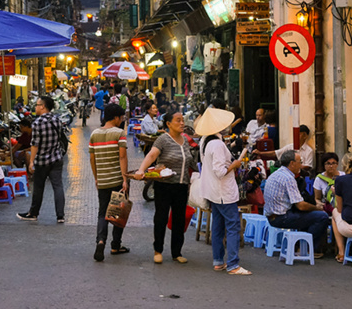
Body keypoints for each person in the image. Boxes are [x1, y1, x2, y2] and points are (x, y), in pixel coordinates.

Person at [134, 111, 198, 264]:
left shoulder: (185, 141)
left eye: (182, 120)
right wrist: (141, 170)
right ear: (168, 124)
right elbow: (152, 155)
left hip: (182, 186)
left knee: (179, 220)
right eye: (178, 120)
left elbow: (190, 161)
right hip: (164, 186)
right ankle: (158, 250)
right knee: (161, 218)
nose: (182, 123)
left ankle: (177, 252)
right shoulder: (163, 139)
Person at [196, 108, 251, 275]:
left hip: (213, 191)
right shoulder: (217, 144)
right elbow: (220, 171)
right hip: (222, 192)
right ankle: (233, 264)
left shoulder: (205, 141)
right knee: (233, 226)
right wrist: (234, 165)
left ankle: (218, 261)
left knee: (218, 226)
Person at [263, 150, 328, 257]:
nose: (301, 165)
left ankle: (302, 246)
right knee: (321, 217)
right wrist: (317, 208)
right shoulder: (288, 178)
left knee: (307, 216)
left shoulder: (275, 174)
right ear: (292, 163)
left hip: (271, 216)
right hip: (281, 218)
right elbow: (301, 206)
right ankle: (307, 248)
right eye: (300, 162)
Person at [89, 104, 130, 262]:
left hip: (103, 181)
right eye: (121, 117)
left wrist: (96, 177)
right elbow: (122, 157)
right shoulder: (119, 133)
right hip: (117, 180)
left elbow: (92, 159)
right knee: (118, 213)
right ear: (116, 118)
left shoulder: (94, 134)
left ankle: (100, 241)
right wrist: (125, 179)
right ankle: (115, 245)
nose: (122, 120)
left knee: (102, 214)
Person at [17, 96, 66, 223]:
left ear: (43, 106)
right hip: (56, 158)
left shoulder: (37, 123)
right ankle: (60, 215)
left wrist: (31, 161)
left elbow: (35, 144)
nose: (36, 107)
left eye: (37, 105)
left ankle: (33, 213)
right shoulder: (57, 120)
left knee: (38, 187)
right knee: (58, 186)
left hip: (42, 161)